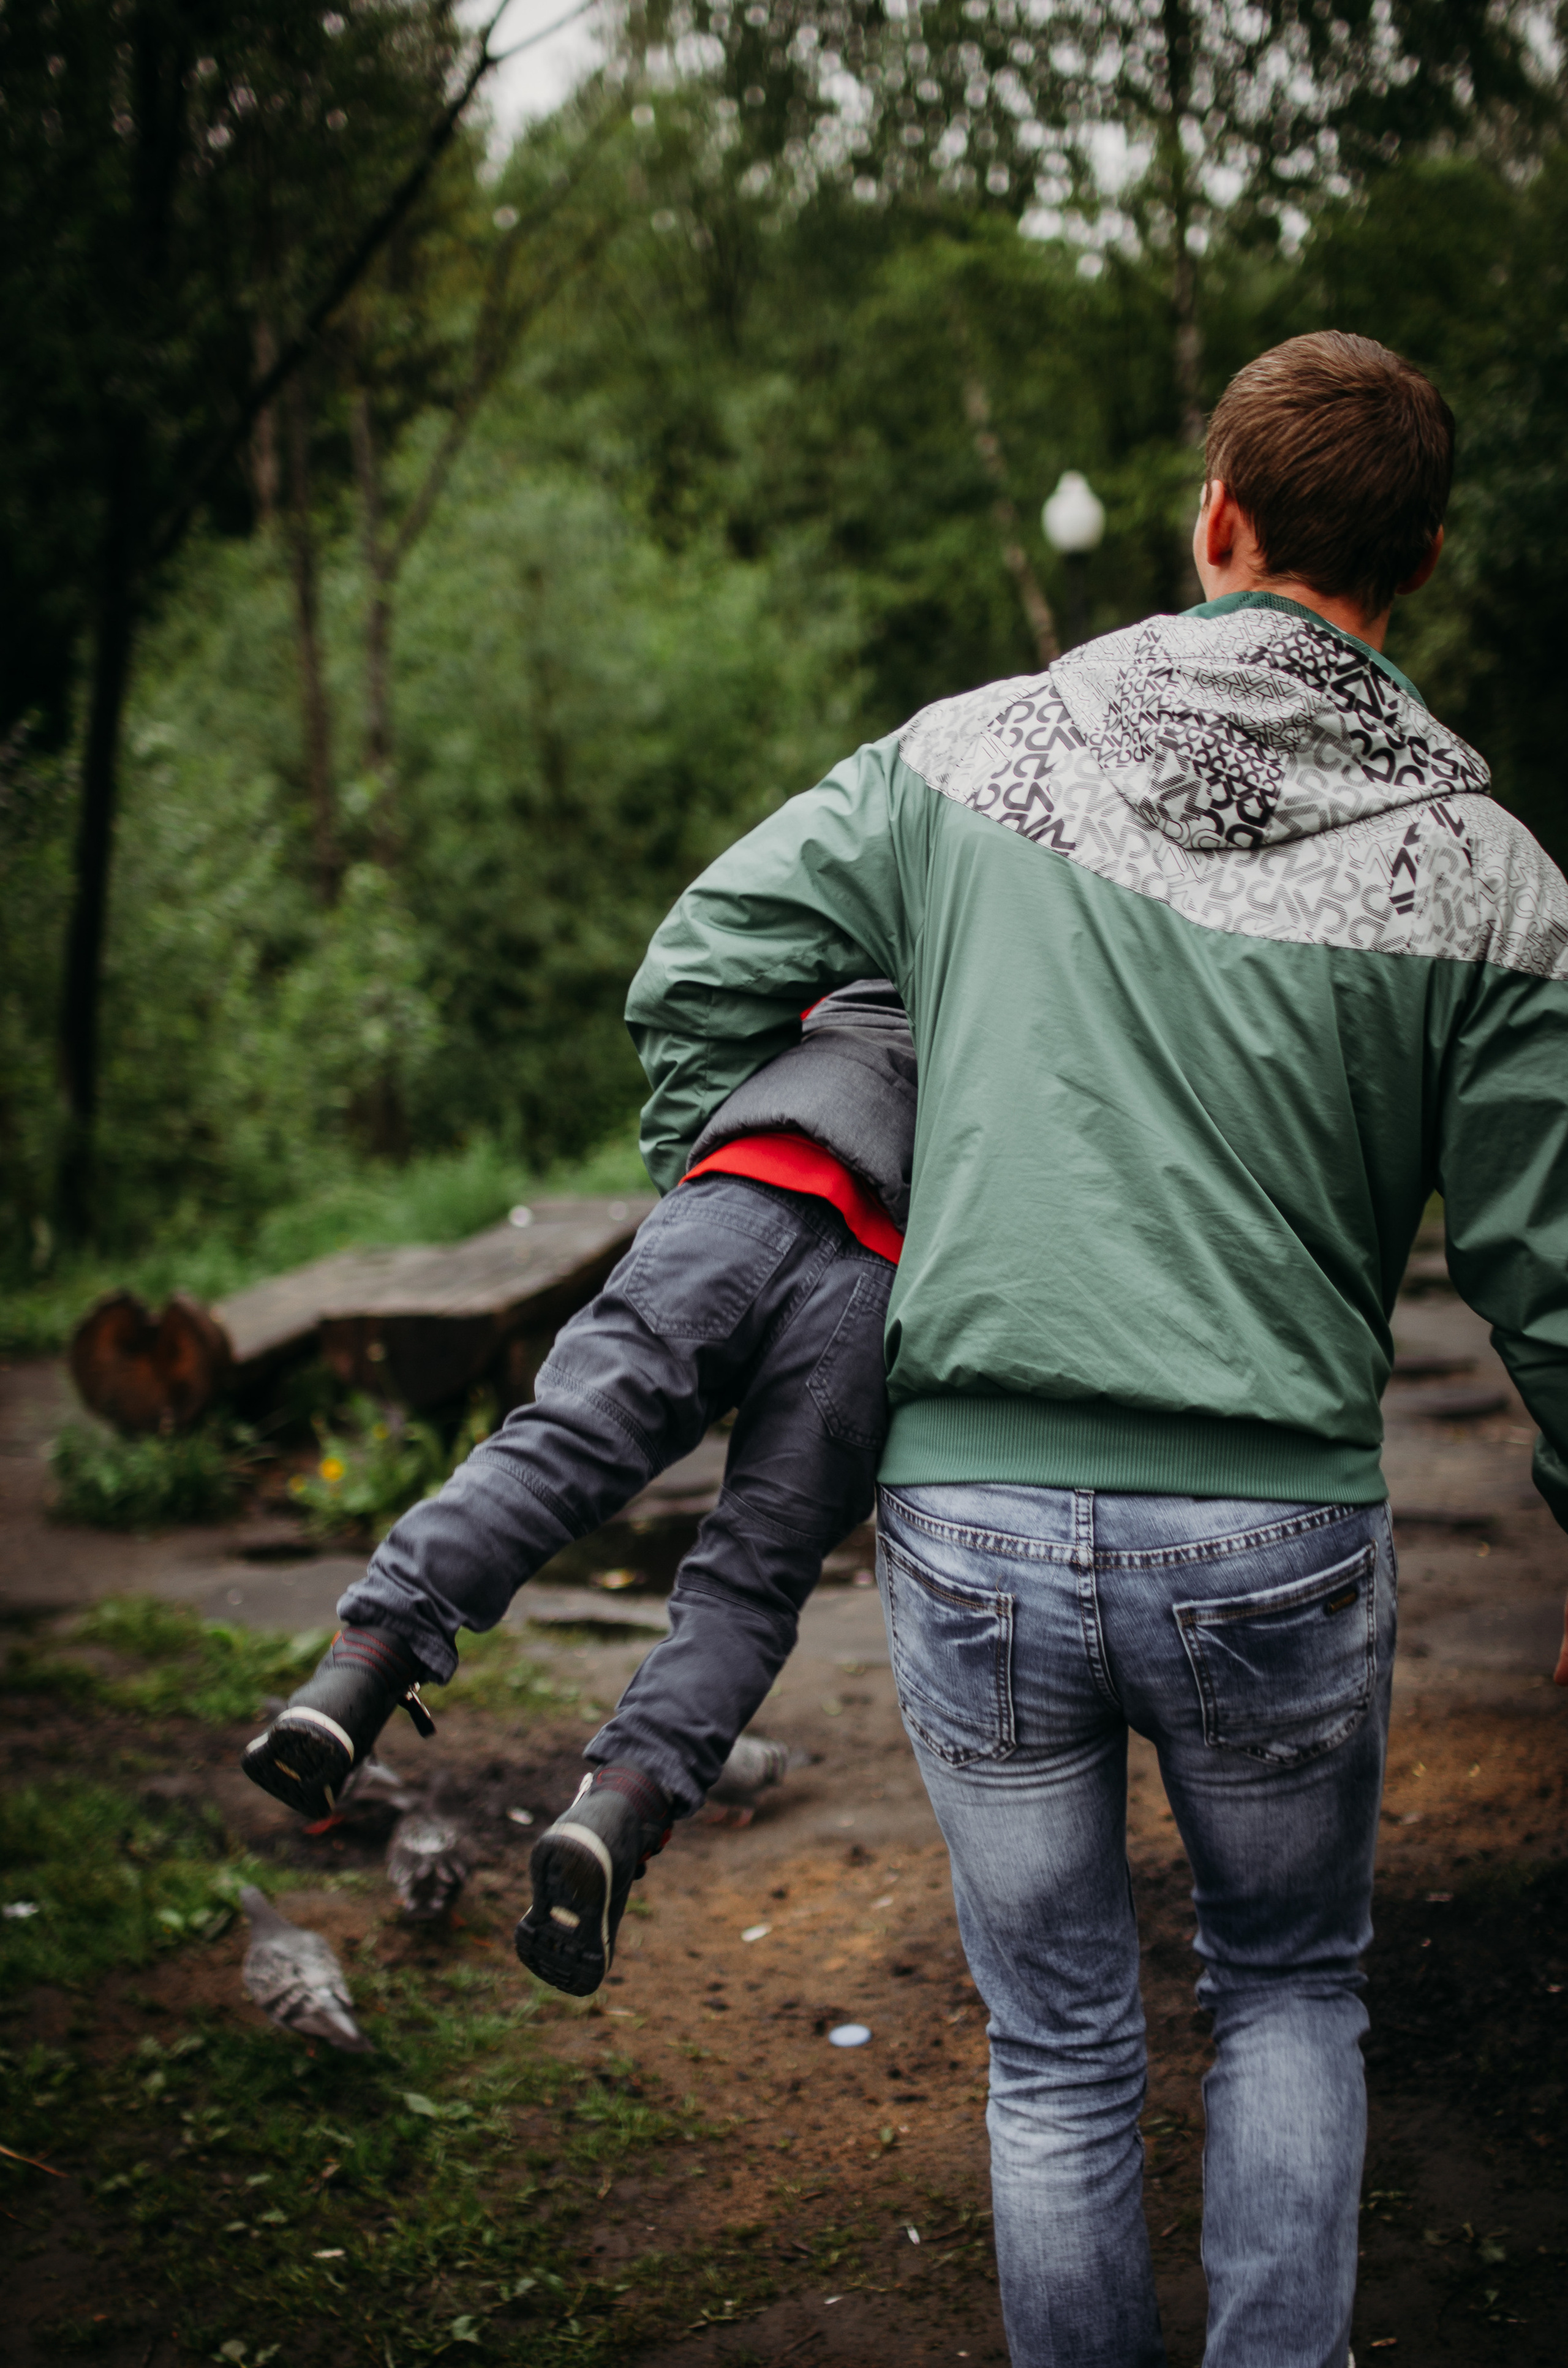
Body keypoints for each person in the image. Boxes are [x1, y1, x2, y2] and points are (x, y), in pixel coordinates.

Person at [620, 332, 1568, 2367]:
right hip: (1278, 1541)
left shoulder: (970, 758)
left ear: (1215, 515)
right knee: (1291, 1988)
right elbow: (1549, 1275)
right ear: (1414, 564)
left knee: (1054, 2046)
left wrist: (784, 1257)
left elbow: (702, 967)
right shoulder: (1493, 883)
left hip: (970, 1517)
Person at [240, 982, 914, 1997]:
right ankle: (621, 1807)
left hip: (747, 1183)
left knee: (558, 1447)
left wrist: (691, 1150)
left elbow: (705, 982)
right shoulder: (1036, 983)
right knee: (749, 1586)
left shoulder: (891, 890)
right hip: (885, 1268)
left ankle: (360, 1673)